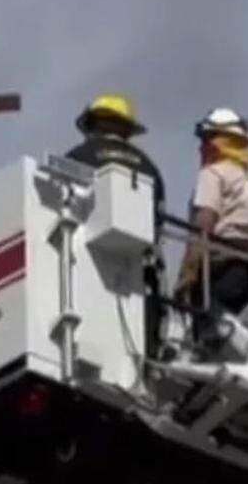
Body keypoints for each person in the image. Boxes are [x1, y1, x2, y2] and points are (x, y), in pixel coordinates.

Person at [65, 94, 166, 357]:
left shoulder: (78, 156)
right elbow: (159, 224)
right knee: (145, 345)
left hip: (84, 268)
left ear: (93, 125)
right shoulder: (150, 169)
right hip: (141, 275)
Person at [175, 108, 248, 339]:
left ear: (217, 142)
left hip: (219, 273)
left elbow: (204, 224)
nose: (200, 148)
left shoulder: (213, 174)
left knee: (209, 341)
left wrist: (186, 277)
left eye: (205, 141)